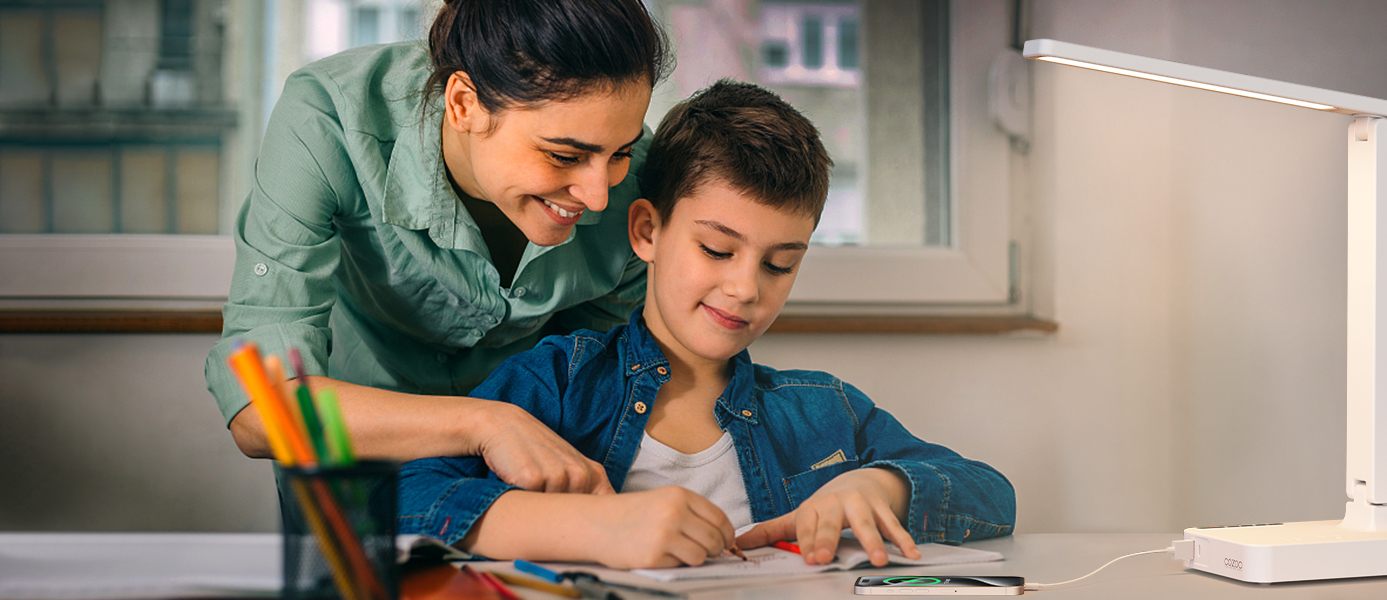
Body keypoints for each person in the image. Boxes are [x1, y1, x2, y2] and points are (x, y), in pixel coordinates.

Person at [396, 80, 1017, 569]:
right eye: (717, 251)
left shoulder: (824, 411)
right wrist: (591, 529)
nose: (746, 288)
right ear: (647, 231)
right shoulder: (557, 385)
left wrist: (882, 487)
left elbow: (991, 493)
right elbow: (401, 502)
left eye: (779, 265)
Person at [204, 0, 671, 494]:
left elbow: (602, 387)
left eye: (619, 152)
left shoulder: (636, 181)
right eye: (563, 155)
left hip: (534, 482)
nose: (599, 193)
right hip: (355, 469)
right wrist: (485, 424)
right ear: (464, 103)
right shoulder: (327, 117)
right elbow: (261, 409)